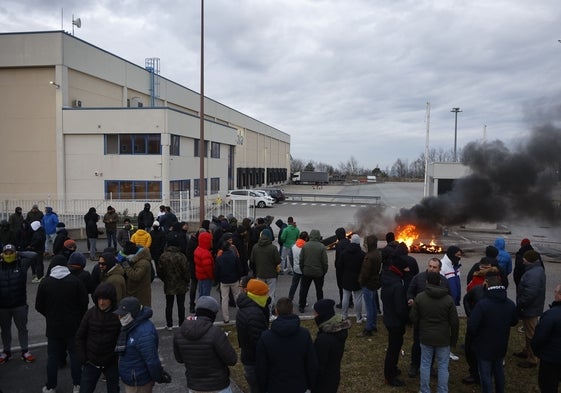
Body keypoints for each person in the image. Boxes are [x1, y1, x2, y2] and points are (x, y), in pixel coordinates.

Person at [35, 255, 89, 393]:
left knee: (53, 357)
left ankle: (50, 386)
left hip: (53, 327)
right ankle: (77, 384)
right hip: (73, 326)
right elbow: (84, 303)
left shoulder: (45, 283)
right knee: (75, 356)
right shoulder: (75, 281)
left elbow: (39, 306)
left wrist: (50, 315)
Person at [173, 296, 237, 393]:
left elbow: (179, 359)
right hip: (218, 386)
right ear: (212, 314)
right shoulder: (216, 333)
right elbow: (232, 360)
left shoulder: (180, 332)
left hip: (194, 386)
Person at [467, 274, 518, 393]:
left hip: (484, 346)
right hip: (501, 344)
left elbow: (472, 326)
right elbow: (514, 321)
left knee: (485, 375)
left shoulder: (483, 304)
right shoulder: (509, 303)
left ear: (487, 285)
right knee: (499, 371)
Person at [409, 271, 459, 393]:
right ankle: (442, 390)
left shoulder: (420, 297)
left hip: (426, 337)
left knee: (425, 364)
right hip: (443, 338)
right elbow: (454, 322)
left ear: (427, 282)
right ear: (440, 282)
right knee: (443, 366)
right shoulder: (448, 300)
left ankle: (424, 390)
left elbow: (413, 317)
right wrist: (453, 340)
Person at [256, 297, 318, 393]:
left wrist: (263, 389)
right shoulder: (304, 334)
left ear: (276, 311)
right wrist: (310, 386)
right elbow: (311, 364)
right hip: (300, 386)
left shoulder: (265, 337)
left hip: (275, 387)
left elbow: (261, 368)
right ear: (292, 310)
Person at [406, 257, 450, 378]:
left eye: (434, 267)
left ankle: (429, 367)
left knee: (432, 346)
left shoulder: (444, 281)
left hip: (436, 320)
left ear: (439, 269)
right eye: (430, 266)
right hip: (420, 319)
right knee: (417, 343)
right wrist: (410, 299)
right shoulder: (418, 278)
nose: (431, 269)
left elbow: (449, 297)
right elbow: (410, 291)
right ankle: (414, 365)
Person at [115, 297, 169, 393]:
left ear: (133, 314)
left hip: (139, 383)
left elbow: (152, 361)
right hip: (133, 379)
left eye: (123, 315)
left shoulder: (144, 333)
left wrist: (159, 377)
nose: (120, 317)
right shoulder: (131, 325)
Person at [75, 283, 121, 393]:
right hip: (91, 362)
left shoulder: (119, 315)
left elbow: (124, 337)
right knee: (85, 390)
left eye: (105, 299)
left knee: (114, 390)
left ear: (112, 299)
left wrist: (118, 358)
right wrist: (83, 358)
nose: (101, 302)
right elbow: (79, 337)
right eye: (99, 298)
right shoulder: (90, 313)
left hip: (111, 363)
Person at [0, 244, 35, 364]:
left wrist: (19, 253)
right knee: (5, 330)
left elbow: (33, 255)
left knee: (22, 329)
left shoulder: (21, 265)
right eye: (6, 253)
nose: (8, 255)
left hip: (19, 304)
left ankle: (25, 351)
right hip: (3, 306)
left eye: (11, 252)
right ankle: (6, 351)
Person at [236, 279, 270, 393]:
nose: (267, 295)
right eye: (265, 293)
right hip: (255, 360)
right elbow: (259, 341)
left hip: (249, 356)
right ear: (257, 295)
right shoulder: (254, 314)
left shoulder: (247, 306)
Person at [380, 257, 410, 387]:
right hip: (395, 322)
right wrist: (407, 317)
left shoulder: (387, 277)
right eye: (406, 268)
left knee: (394, 346)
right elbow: (400, 309)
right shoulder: (397, 285)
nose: (408, 270)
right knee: (394, 348)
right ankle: (390, 376)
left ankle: (393, 369)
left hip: (388, 317)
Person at [311, 298, 351, 393]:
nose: (314, 316)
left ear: (322, 315)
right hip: (334, 376)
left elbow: (319, 365)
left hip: (323, 383)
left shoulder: (324, 340)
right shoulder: (338, 330)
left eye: (315, 313)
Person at [514, 250, 546, 368]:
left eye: (525, 258)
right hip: (531, 307)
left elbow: (530, 293)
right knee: (529, 332)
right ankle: (527, 351)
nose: (523, 260)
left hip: (530, 308)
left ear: (529, 260)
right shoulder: (535, 270)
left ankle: (532, 359)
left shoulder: (533, 274)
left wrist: (521, 304)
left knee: (531, 334)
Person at [531, 283, 561, 393]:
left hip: (551, 360)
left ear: (559, 295)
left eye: (555, 292)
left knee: (548, 386)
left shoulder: (551, 315)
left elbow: (539, 337)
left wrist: (538, 352)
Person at [157, 235, 189, 330]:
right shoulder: (181, 256)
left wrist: (164, 279)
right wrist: (187, 281)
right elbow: (186, 270)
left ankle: (169, 324)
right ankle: (181, 323)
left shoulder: (163, 256)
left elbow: (160, 271)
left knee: (169, 305)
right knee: (181, 305)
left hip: (169, 283)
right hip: (181, 284)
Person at [250, 228, 280, 313]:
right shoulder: (273, 248)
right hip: (271, 274)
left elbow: (252, 260)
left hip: (260, 273)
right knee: (270, 294)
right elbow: (278, 260)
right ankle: (269, 312)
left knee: (260, 294)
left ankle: (260, 311)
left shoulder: (255, 247)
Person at [298, 229, 328, 313]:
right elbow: (324, 262)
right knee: (319, 290)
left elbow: (301, 260)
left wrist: (303, 269)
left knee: (304, 290)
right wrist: (324, 271)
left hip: (306, 271)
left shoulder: (305, 246)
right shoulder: (321, 246)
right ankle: (320, 307)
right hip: (318, 273)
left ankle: (302, 306)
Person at [358, 234, 382, 337]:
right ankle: (373, 325)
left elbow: (365, 273)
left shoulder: (369, 256)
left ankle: (368, 329)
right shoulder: (378, 253)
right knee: (373, 306)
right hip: (374, 283)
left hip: (368, 284)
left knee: (369, 307)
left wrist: (360, 281)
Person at [215, 240, 243, 324]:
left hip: (224, 281)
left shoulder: (219, 258)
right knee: (237, 297)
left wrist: (218, 279)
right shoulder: (234, 256)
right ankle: (240, 315)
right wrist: (239, 277)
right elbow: (239, 268)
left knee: (224, 299)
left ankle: (226, 318)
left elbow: (217, 271)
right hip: (234, 279)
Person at [118, 241, 153, 307]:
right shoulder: (136, 260)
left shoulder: (143, 263)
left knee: (141, 314)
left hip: (141, 294)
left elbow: (136, 276)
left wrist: (126, 265)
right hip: (135, 292)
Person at [340, 234, 364, 322]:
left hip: (346, 278)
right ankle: (358, 317)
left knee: (345, 297)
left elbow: (340, 266)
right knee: (358, 298)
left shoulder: (344, 253)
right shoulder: (362, 254)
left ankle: (344, 315)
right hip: (358, 279)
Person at [288, 231, 308, 302]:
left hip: (296, 269)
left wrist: (293, 266)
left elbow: (290, 257)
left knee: (293, 285)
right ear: (306, 238)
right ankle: (302, 301)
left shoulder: (293, 246)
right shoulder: (306, 247)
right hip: (304, 269)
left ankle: (290, 298)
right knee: (303, 287)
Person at [194, 231, 215, 297]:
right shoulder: (205, 253)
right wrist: (212, 276)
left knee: (201, 293)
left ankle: (200, 305)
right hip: (206, 277)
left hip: (200, 275)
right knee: (206, 295)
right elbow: (208, 268)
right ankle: (203, 307)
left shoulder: (198, 249)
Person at [334, 227, 350, 308]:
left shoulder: (339, 245)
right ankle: (350, 302)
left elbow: (338, 258)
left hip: (341, 269)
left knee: (341, 286)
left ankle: (342, 302)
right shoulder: (349, 242)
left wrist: (336, 266)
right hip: (349, 267)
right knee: (349, 285)